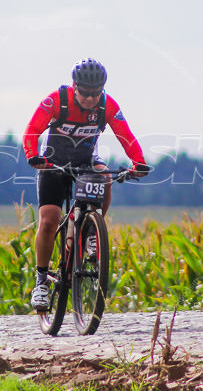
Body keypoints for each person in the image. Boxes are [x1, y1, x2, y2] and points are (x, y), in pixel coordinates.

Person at [23, 58, 150, 310]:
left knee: (104, 175)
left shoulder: (107, 105)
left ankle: (92, 230)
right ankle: (41, 282)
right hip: (53, 163)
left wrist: (138, 162)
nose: (91, 99)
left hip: (85, 161)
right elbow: (32, 130)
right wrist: (32, 156)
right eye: (85, 93)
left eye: (96, 93)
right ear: (74, 86)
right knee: (49, 220)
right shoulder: (56, 101)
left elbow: (126, 136)